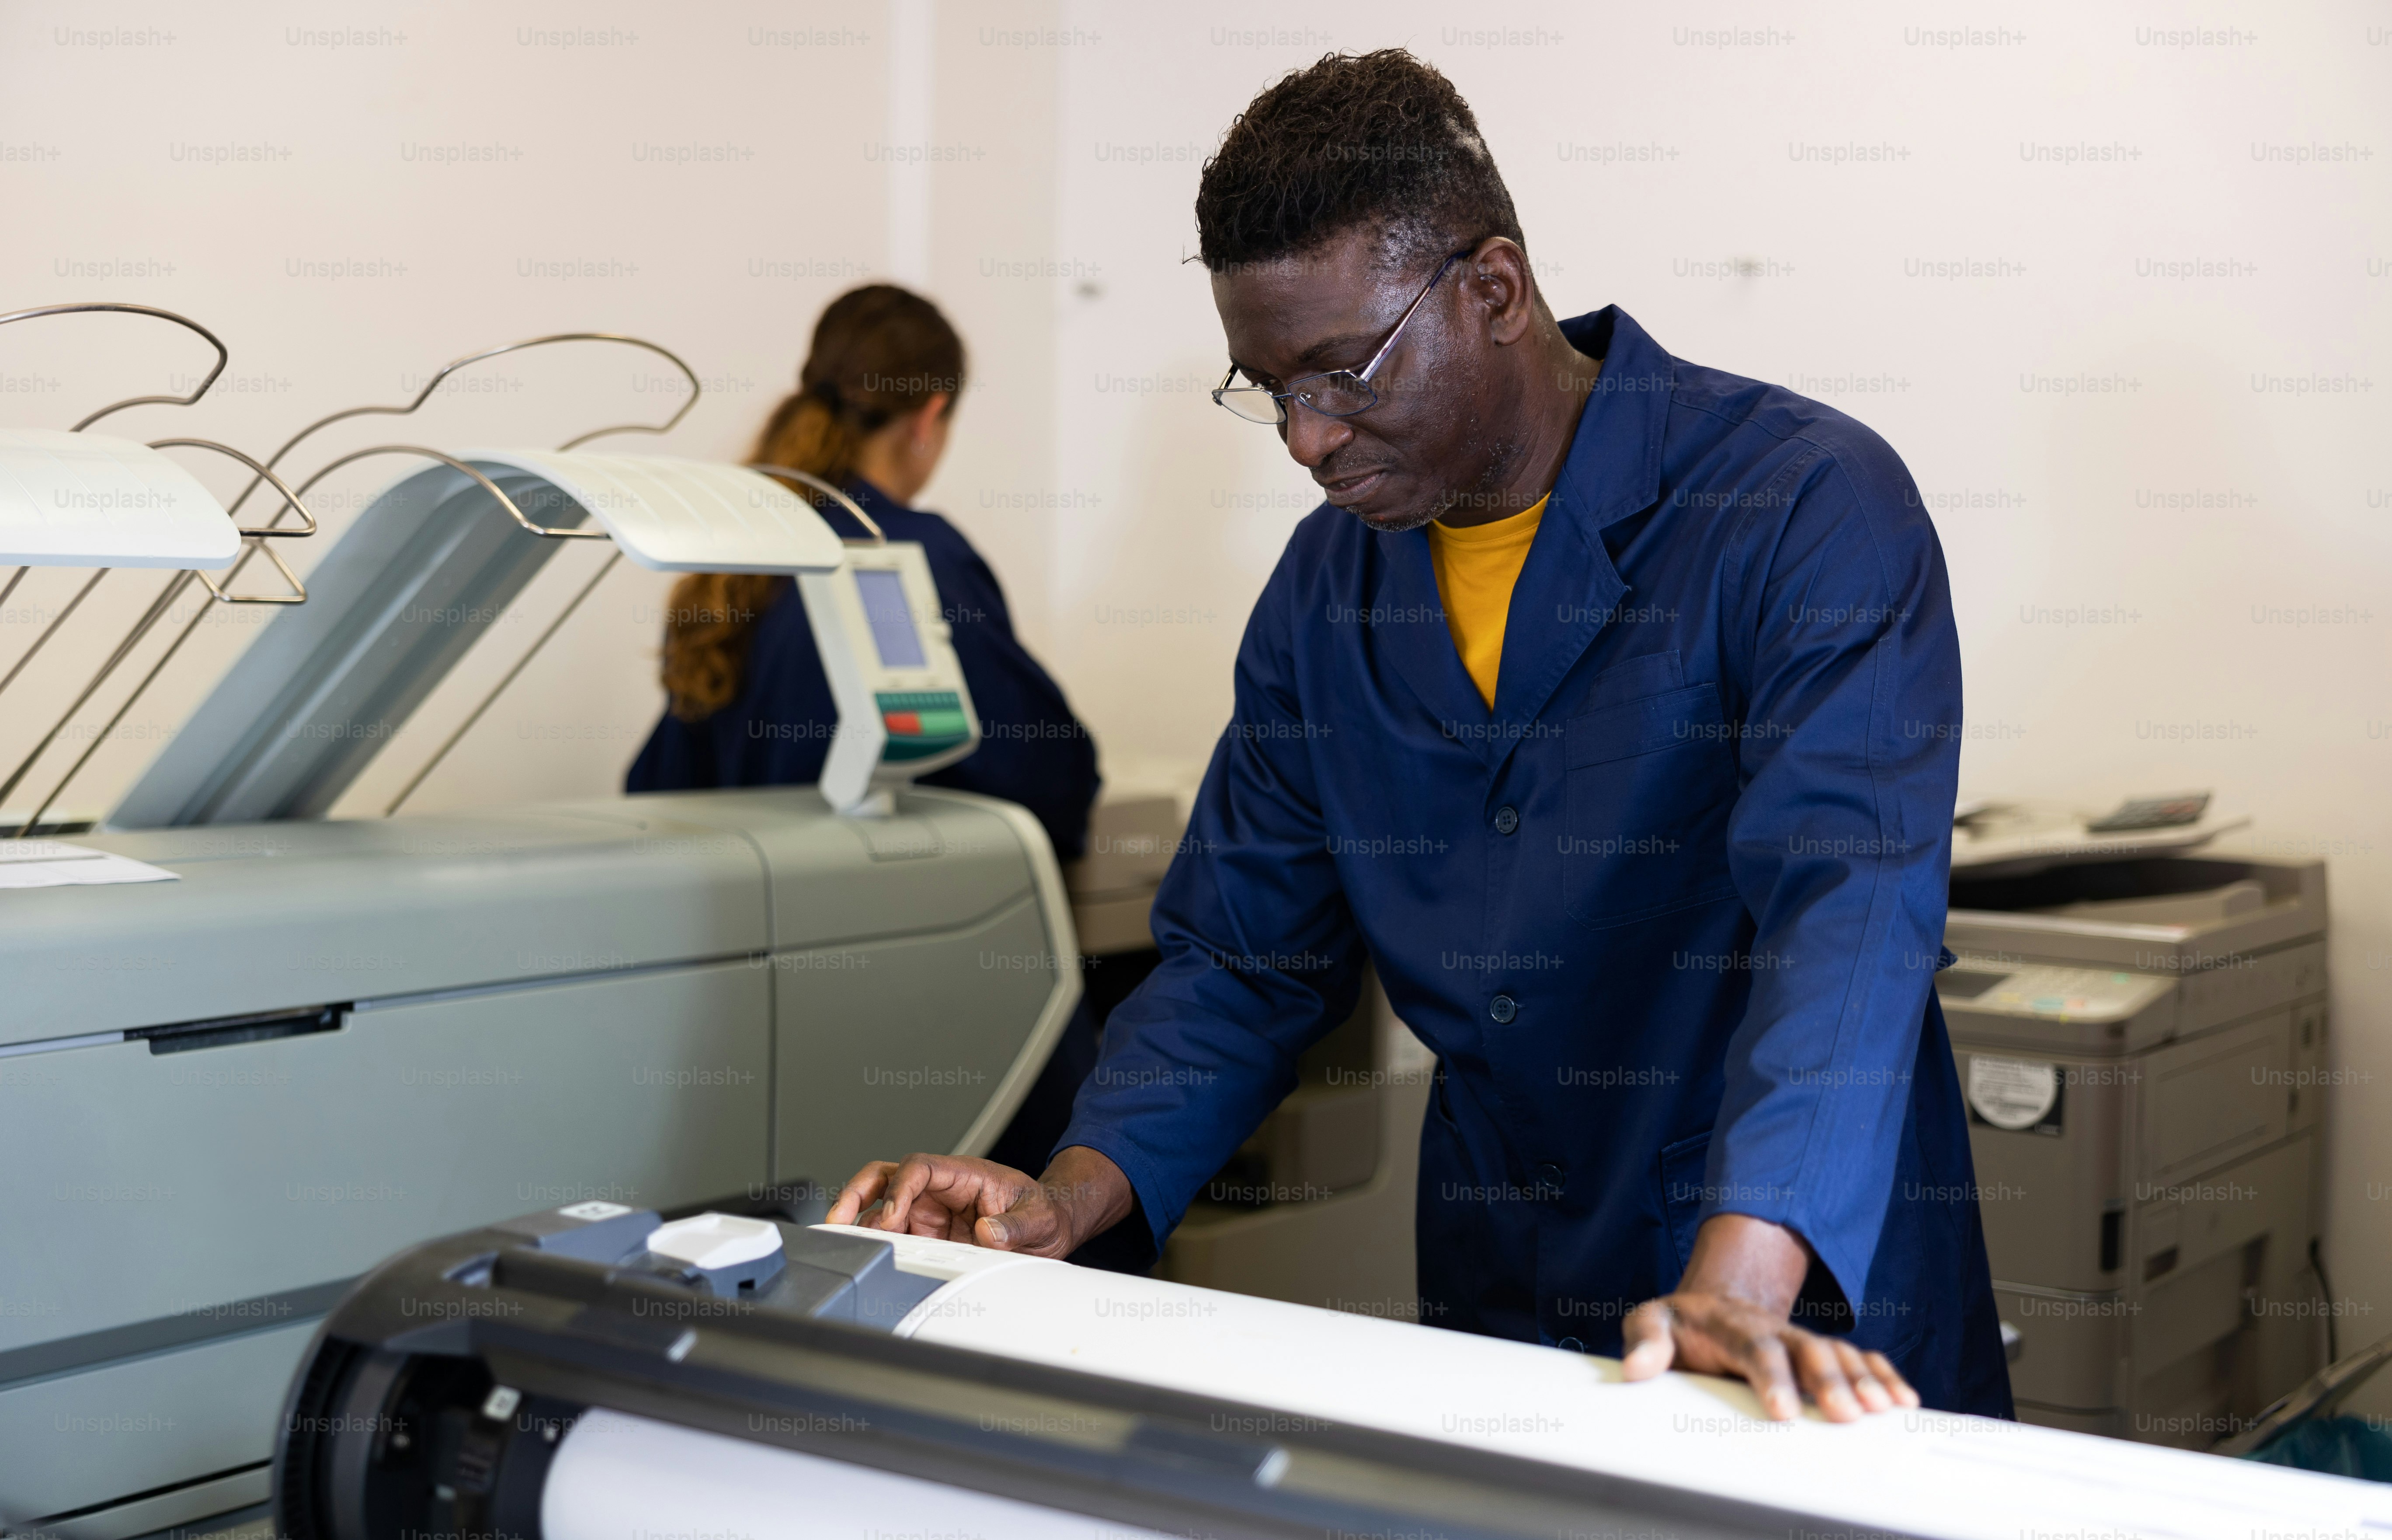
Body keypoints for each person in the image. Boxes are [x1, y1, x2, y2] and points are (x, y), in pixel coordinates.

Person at [830, 52, 2011, 1422]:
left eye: (1341, 373)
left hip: (1787, 1286)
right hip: (1500, 1287)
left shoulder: (1801, 504)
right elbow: (1242, 961)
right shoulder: (1327, 594)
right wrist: (1069, 1194)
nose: (1305, 438)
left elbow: (1849, 918)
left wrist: (1739, 1281)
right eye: (1266, 387)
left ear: (1495, 291)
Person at [628, 284, 1102, 1175]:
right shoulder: (915, 556)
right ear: (929, 416)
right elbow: (1052, 780)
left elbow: (653, 796)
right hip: (903, 998)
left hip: (743, 1011)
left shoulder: (738, 556)